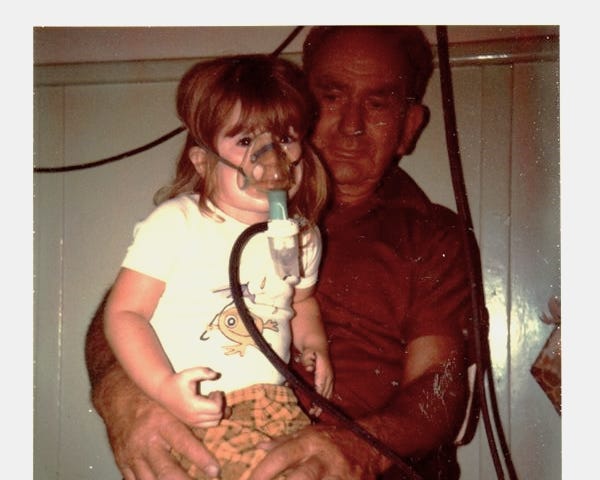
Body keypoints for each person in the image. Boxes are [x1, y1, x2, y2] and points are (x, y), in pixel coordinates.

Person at [85, 26, 472, 480]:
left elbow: (441, 388)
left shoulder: (433, 236)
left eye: (378, 103)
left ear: (408, 127)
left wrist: (360, 449)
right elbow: (123, 313)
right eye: (331, 96)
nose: (351, 124)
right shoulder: (196, 216)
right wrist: (123, 397)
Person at [99, 54, 333, 480]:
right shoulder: (179, 223)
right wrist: (162, 388)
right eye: (245, 142)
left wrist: (314, 344)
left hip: (275, 405)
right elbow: (124, 314)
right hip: (201, 407)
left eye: (284, 137)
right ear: (203, 161)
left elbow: (302, 300)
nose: (271, 156)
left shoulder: (302, 236)